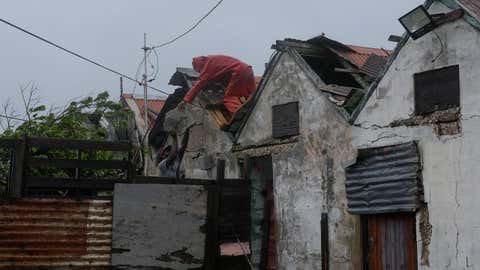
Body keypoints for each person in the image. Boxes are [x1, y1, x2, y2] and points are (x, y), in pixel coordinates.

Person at [182, 55, 256, 113]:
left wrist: (186, 100)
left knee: (229, 97)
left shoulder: (208, 66)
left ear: (199, 65)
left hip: (238, 72)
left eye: (199, 70)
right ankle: (254, 106)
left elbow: (199, 83)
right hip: (247, 69)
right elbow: (224, 77)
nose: (200, 72)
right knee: (254, 94)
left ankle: (240, 112)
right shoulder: (214, 60)